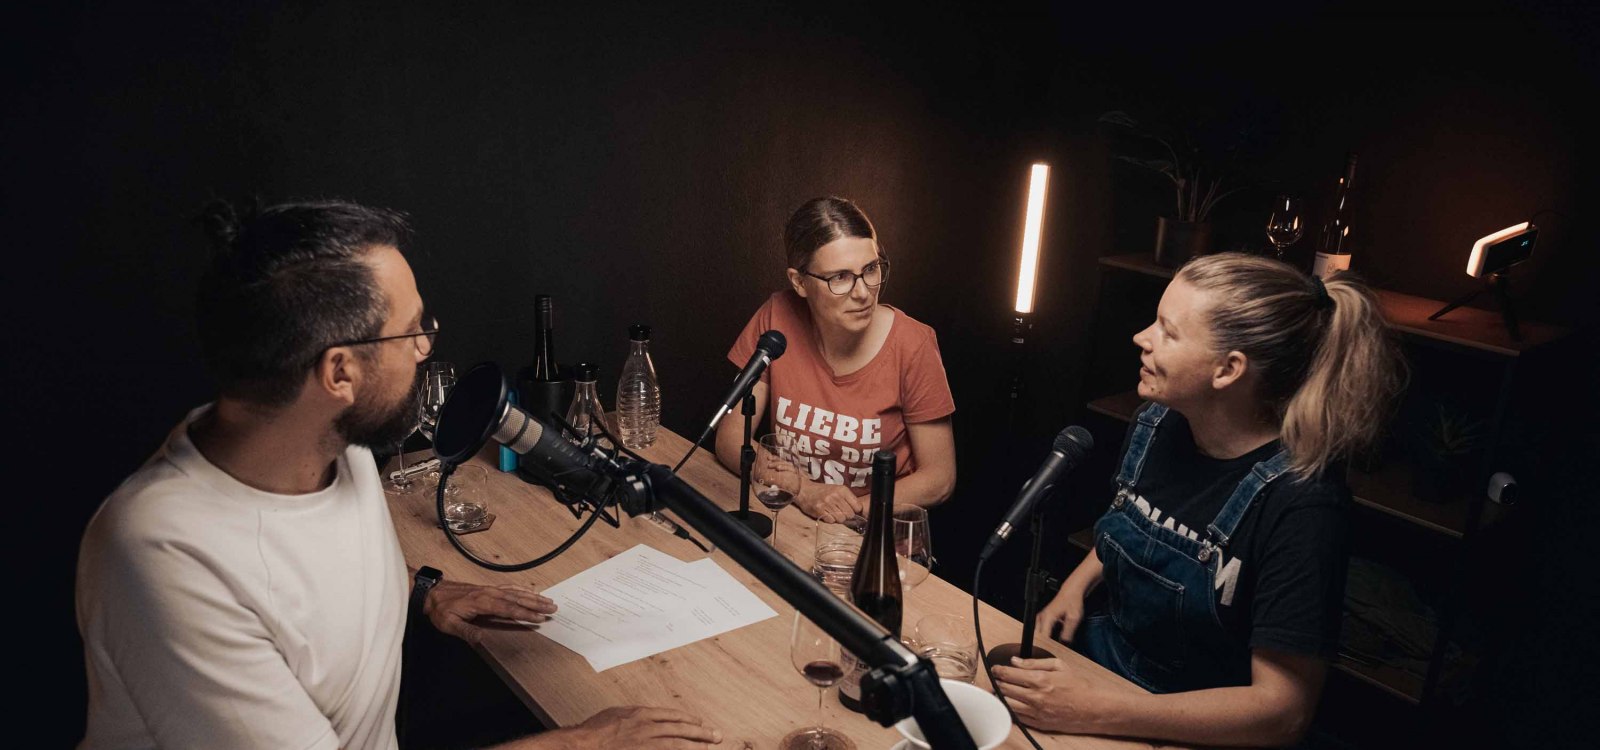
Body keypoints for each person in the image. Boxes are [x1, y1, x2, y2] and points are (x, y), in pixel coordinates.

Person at [75, 200, 722, 750]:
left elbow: (302, 577)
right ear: (339, 374)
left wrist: (419, 592)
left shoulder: (335, 442)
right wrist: (583, 742)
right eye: (411, 332)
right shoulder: (163, 556)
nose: (425, 347)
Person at [994, 253, 1404, 748]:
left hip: (1198, 725)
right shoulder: (1157, 423)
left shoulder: (1304, 505)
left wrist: (1100, 711)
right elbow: (1131, 521)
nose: (1141, 338)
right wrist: (1075, 587)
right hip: (1109, 678)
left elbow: (1283, 711)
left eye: (1168, 331)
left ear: (1228, 370)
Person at [715, 196, 956, 523]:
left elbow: (939, 479)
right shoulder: (777, 316)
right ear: (799, 282)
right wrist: (803, 490)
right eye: (839, 277)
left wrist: (842, 512)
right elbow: (730, 440)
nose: (863, 292)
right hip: (790, 519)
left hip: (872, 533)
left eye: (870, 269)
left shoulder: (913, 344)